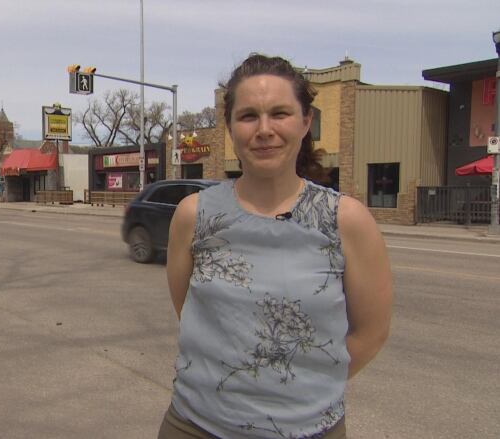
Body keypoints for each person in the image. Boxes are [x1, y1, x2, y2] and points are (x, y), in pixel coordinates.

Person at [159, 54, 393, 438]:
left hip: (307, 428)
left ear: (305, 122)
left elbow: (371, 333)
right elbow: (190, 310)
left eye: (280, 113)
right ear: (231, 128)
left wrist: (299, 386)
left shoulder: (346, 220)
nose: (264, 129)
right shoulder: (194, 215)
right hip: (195, 425)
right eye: (248, 116)